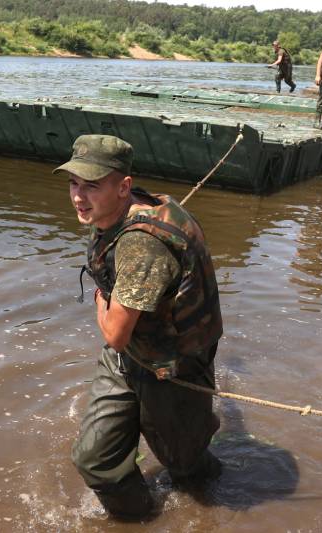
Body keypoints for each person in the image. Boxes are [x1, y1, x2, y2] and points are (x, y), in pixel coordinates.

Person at [55, 134, 223, 520]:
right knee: (95, 460)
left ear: (124, 187)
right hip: (129, 355)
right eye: (73, 183)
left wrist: (101, 301)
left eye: (92, 186)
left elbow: (114, 334)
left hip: (172, 365)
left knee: (185, 467)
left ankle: (200, 442)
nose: (79, 197)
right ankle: (140, 521)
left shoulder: (142, 245)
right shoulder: (120, 208)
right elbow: (120, 341)